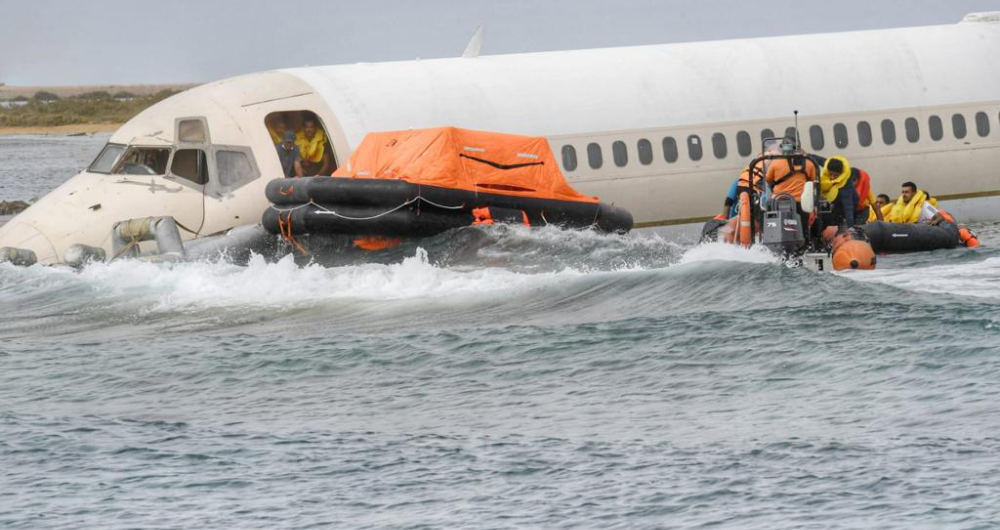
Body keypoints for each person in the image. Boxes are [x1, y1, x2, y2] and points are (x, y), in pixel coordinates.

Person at [765, 139, 819, 231]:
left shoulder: (775, 163)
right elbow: (813, 182)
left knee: (777, 227)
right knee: (803, 228)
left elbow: (768, 179)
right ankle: (806, 241)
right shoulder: (809, 163)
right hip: (801, 202)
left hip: (778, 201)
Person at [818, 156, 858, 227]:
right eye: (830, 174)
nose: (832, 178)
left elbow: (848, 207)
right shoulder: (828, 166)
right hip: (834, 204)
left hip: (847, 206)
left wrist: (850, 227)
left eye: (835, 175)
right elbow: (819, 159)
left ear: (841, 174)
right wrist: (806, 154)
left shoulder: (846, 185)